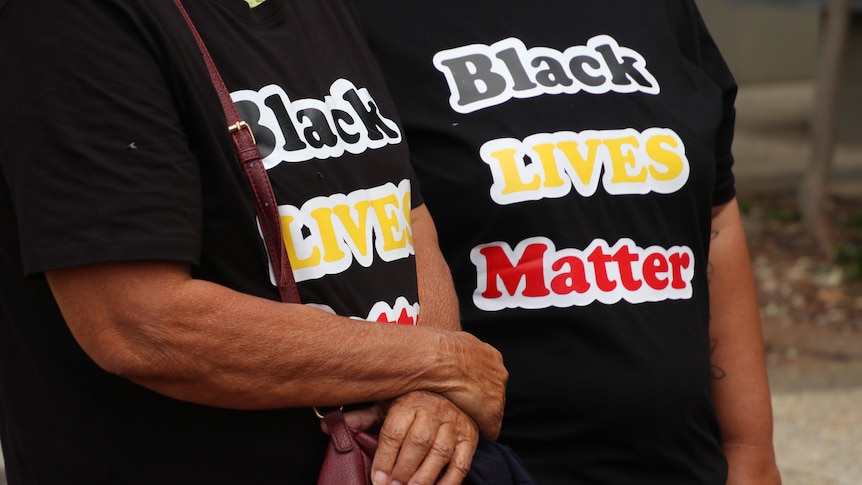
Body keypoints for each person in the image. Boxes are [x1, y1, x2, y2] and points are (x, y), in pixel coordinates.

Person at [0, 1, 508, 484]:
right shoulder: (70, 17)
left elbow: (403, 215)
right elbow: (139, 323)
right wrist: (443, 362)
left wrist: (437, 396)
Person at [355, 0, 782, 483]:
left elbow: (714, 211)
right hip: (492, 468)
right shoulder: (352, 19)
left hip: (683, 465)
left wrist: (748, 449)